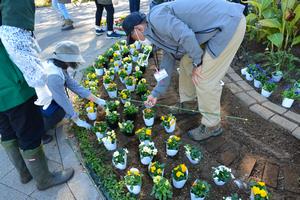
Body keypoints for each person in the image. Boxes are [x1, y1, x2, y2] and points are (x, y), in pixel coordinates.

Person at [122, 0, 246, 141]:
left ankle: (212, 125)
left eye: (133, 38)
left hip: (229, 24)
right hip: (216, 25)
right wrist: (156, 93)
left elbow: (186, 36)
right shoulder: (153, 31)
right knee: (187, 62)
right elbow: (168, 60)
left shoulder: (157, 19)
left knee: (205, 79)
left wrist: (198, 63)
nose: (136, 41)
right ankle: (189, 103)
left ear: (138, 29)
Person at [0, 0, 74, 190]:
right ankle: (44, 179)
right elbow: (16, 41)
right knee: (29, 132)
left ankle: (25, 173)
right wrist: (39, 83)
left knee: (7, 130)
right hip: (12, 84)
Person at [42, 41, 106, 135]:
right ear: (66, 60)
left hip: (50, 95)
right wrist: (76, 119)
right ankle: (42, 131)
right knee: (60, 113)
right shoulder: (53, 76)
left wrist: (98, 100)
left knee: (65, 110)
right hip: (38, 103)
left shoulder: (58, 65)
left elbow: (74, 86)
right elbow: (62, 99)